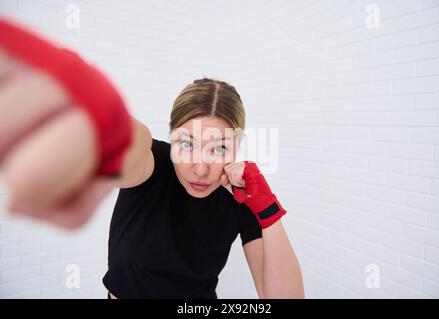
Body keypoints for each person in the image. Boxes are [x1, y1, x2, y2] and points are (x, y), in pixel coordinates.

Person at [0, 18, 305, 299]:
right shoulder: (153, 164)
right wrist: (105, 119)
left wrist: (267, 210)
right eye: (187, 144)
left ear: (237, 146)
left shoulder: (241, 197)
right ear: (171, 137)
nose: (200, 167)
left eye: (219, 148)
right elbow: (132, 145)